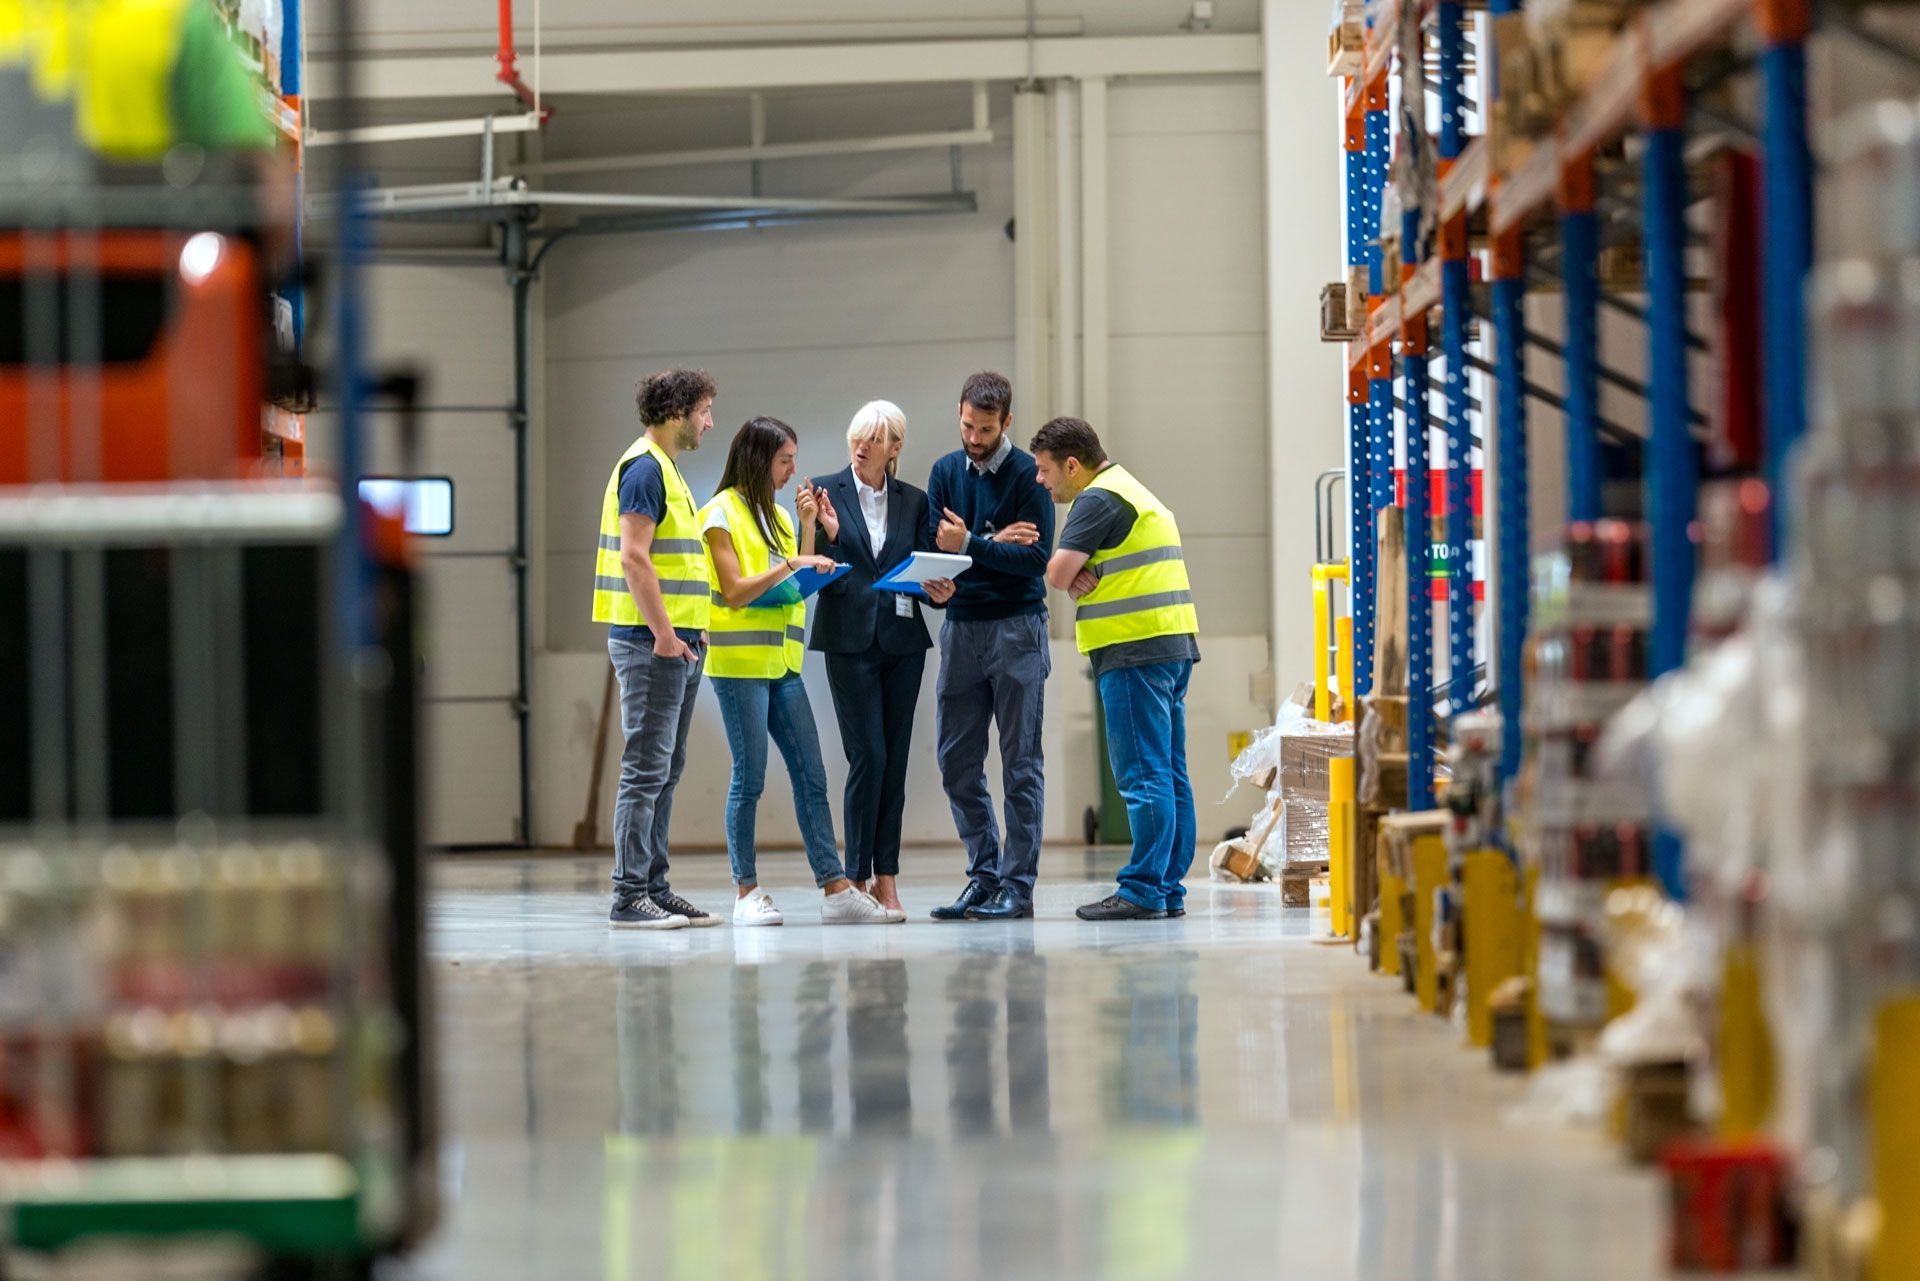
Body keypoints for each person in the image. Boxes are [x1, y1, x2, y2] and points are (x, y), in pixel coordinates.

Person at [701, 416, 894, 926]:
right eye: (785, 460)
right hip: (739, 667)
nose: (792, 470)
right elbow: (737, 590)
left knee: (812, 774)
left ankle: (835, 889)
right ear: (759, 459)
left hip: (783, 666)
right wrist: (795, 566)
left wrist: (808, 531)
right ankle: (746, 891)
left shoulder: (779, 517)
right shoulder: (719, 513)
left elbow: (795, 577)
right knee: (751, 778)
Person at [1029, 416, 1202, 922]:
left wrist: (1068, 570)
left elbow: (1057, 574)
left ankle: (1142, 889)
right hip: (1172, 644)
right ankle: (1167, 887)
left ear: (1073, 465)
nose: (1041, 481)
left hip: (1132, 652)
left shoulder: (1097, 499)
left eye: (1045, 471)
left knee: (1142, 774)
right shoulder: (1134, 489)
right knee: (1170, 773)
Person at [801, 401, 956, 919]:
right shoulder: (825, 490)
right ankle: (856, 876)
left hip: (903, 640)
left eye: (874, 438)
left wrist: (942, 590)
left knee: (895, 762)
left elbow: (923, 570)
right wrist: (828, 530)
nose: (862, 446)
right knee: (867, 755)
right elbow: (818, 562)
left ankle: (887, 878)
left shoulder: (914, 501)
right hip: (848, 638)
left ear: (895, 448)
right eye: (857, 436)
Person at [924, 372, 1055, 922]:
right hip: (959, 628)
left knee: (1019, 762)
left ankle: (1016, 886)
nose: (973, 438)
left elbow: (1036, 560)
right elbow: (937, 549)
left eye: (984, 429)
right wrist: (946, 578)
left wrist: (971, 545)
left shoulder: (1030, 474)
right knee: (956, 760)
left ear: (1007, 422)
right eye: (967, 426)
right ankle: (983, 875)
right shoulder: (945, 472)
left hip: (1017, 629)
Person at [593, 369, 721, 930]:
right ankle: (628, 896)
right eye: (704, 410)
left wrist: (690, 630)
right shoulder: (645, 469)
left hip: (678, 643)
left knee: (665, 769)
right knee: (646, 770)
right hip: (652, 644)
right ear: (677, 412)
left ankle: (654, 887)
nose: (709, 422)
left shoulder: (668, 471)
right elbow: (634, 557)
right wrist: (666, 634)